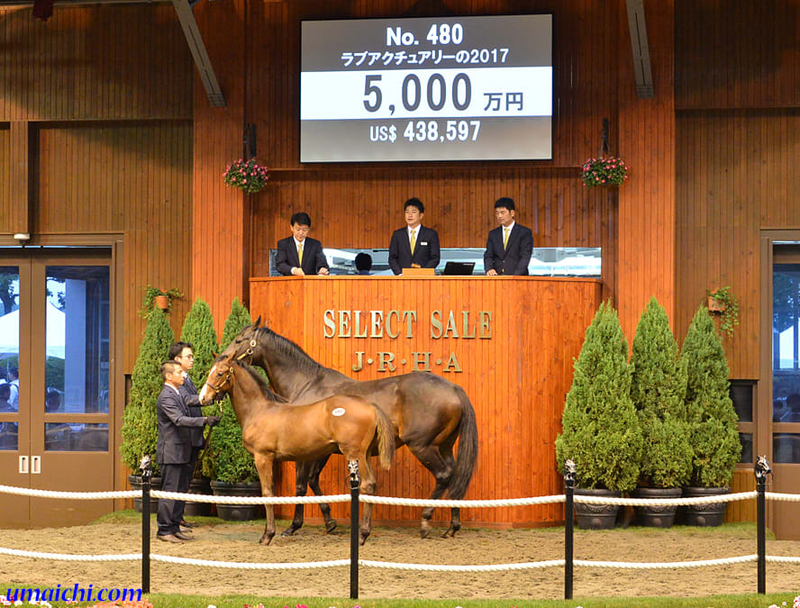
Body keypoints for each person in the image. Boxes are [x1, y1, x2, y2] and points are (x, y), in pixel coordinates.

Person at [156, 360, 219, 543]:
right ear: (169, 376)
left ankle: (174, 527)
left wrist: (212, 398)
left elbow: (190, 401)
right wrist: (204, 420)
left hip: (181, 452)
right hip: (171, 453)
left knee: (180, 491)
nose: (183, 375)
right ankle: (164, 530)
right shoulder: (166, 396)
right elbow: (179, 420)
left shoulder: (177, 393)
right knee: (170, 492)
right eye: (179, 372)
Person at [168, 341, 204, 529]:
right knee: (178, 482)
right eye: (188, 356)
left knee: (185, 481)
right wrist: (207, 397)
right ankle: (173, 521)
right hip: (184, 440)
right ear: (177, 359)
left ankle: (178, 517)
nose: (192, 360)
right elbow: (187, 400)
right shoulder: (177, 383)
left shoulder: (187, 379)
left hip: (193, 438)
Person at [388, 198, 441, 275]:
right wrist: (399, 274)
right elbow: (392, 258)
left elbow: (435, 258)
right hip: (402, 277)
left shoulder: (430, 234)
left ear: (421, 215)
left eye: (413, 212)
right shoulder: (397, 235)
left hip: (424, 278)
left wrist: (423, 272)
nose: (410, 215)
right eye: (407, 212)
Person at [483, 197, 534, 276]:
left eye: (502, 212)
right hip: (497, 278)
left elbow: (525, 258)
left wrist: (514, 277)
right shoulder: (493, 234)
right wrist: (489, 269)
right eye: (497, 213)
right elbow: (488, 255)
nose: (499, 216)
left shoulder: (524, 233)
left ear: (512, 213)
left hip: (517, 278)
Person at [275, 212, 330, 276]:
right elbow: (280, 265)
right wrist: (293, 270)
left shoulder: (315, 245)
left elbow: (322, 264)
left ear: (308, 229)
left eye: (304, 230)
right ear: (291, 228)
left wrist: (323, 269)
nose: (301, 233)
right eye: (298, 229)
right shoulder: (283, 244)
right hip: (290, 281)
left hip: (310, 281)